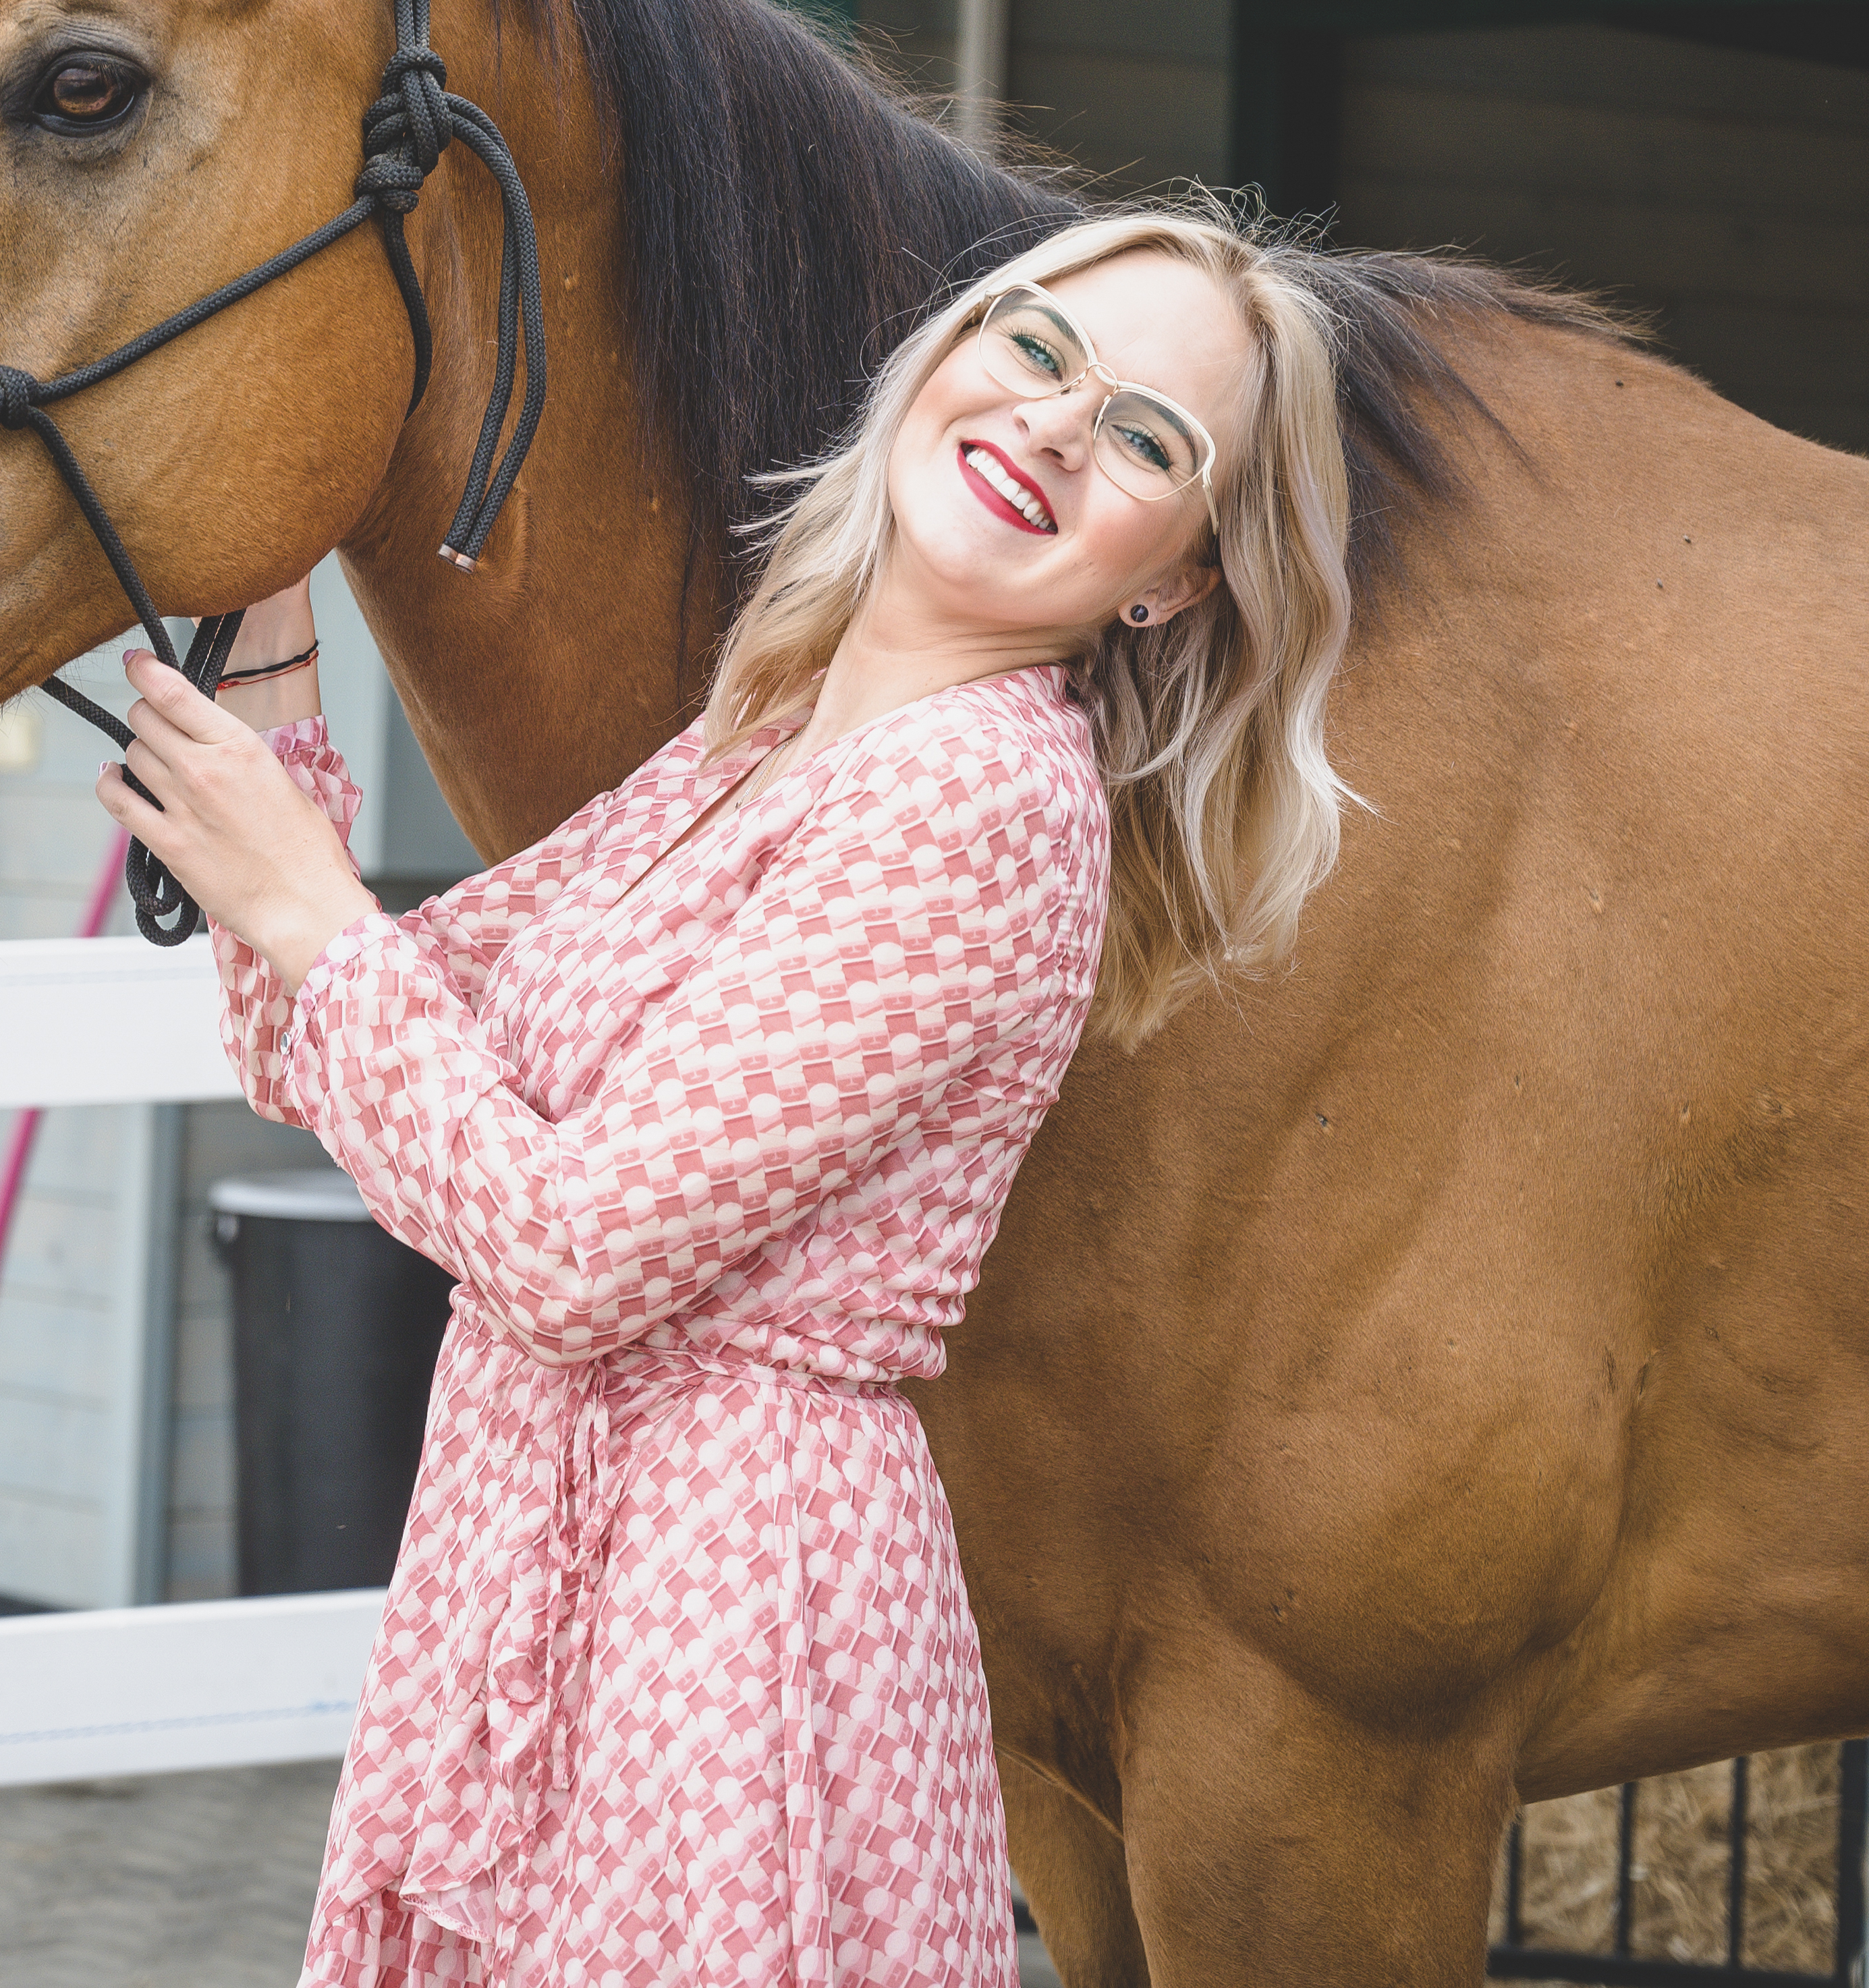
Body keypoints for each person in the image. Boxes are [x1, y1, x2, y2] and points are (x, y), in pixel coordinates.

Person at [98, 209, 1364, 1985]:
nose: (1065, 424)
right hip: (542, 1550)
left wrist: (308, 898)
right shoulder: (765, 737)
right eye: (1039, 351)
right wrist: (277, 622)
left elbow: (567, 1243)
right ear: (942, 363)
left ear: (1174, 574)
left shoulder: (980, 806)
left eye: (1150, 437)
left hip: (724, 1602)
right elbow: (332, 1036)